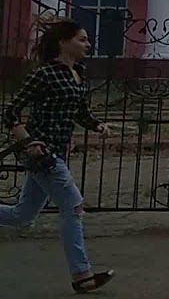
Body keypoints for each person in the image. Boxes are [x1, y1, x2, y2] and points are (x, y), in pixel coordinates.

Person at [1, 19, 115, 293]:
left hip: (57, 152)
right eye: (81, 39)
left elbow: (80, 112)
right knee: (73, 207)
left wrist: (98, 125)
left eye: (87, 40)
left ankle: (81, 274)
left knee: (22, 215)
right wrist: (28, 142)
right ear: (64, 42)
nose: (87, 44)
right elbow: (11, 112)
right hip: (43, 154)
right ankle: (81, 275)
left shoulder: (78, 73)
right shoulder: (44, 74)